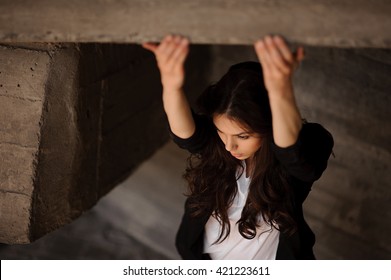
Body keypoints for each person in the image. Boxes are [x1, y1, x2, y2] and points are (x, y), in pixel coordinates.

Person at [142, 35, 334, 260]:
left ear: (268, 125)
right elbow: (186, 134)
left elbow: (292, 153)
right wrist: (171, 85)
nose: (229, 145)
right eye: (221, 131)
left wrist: (280, 90)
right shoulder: (218, 147)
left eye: (243, 136)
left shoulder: (304, 150)